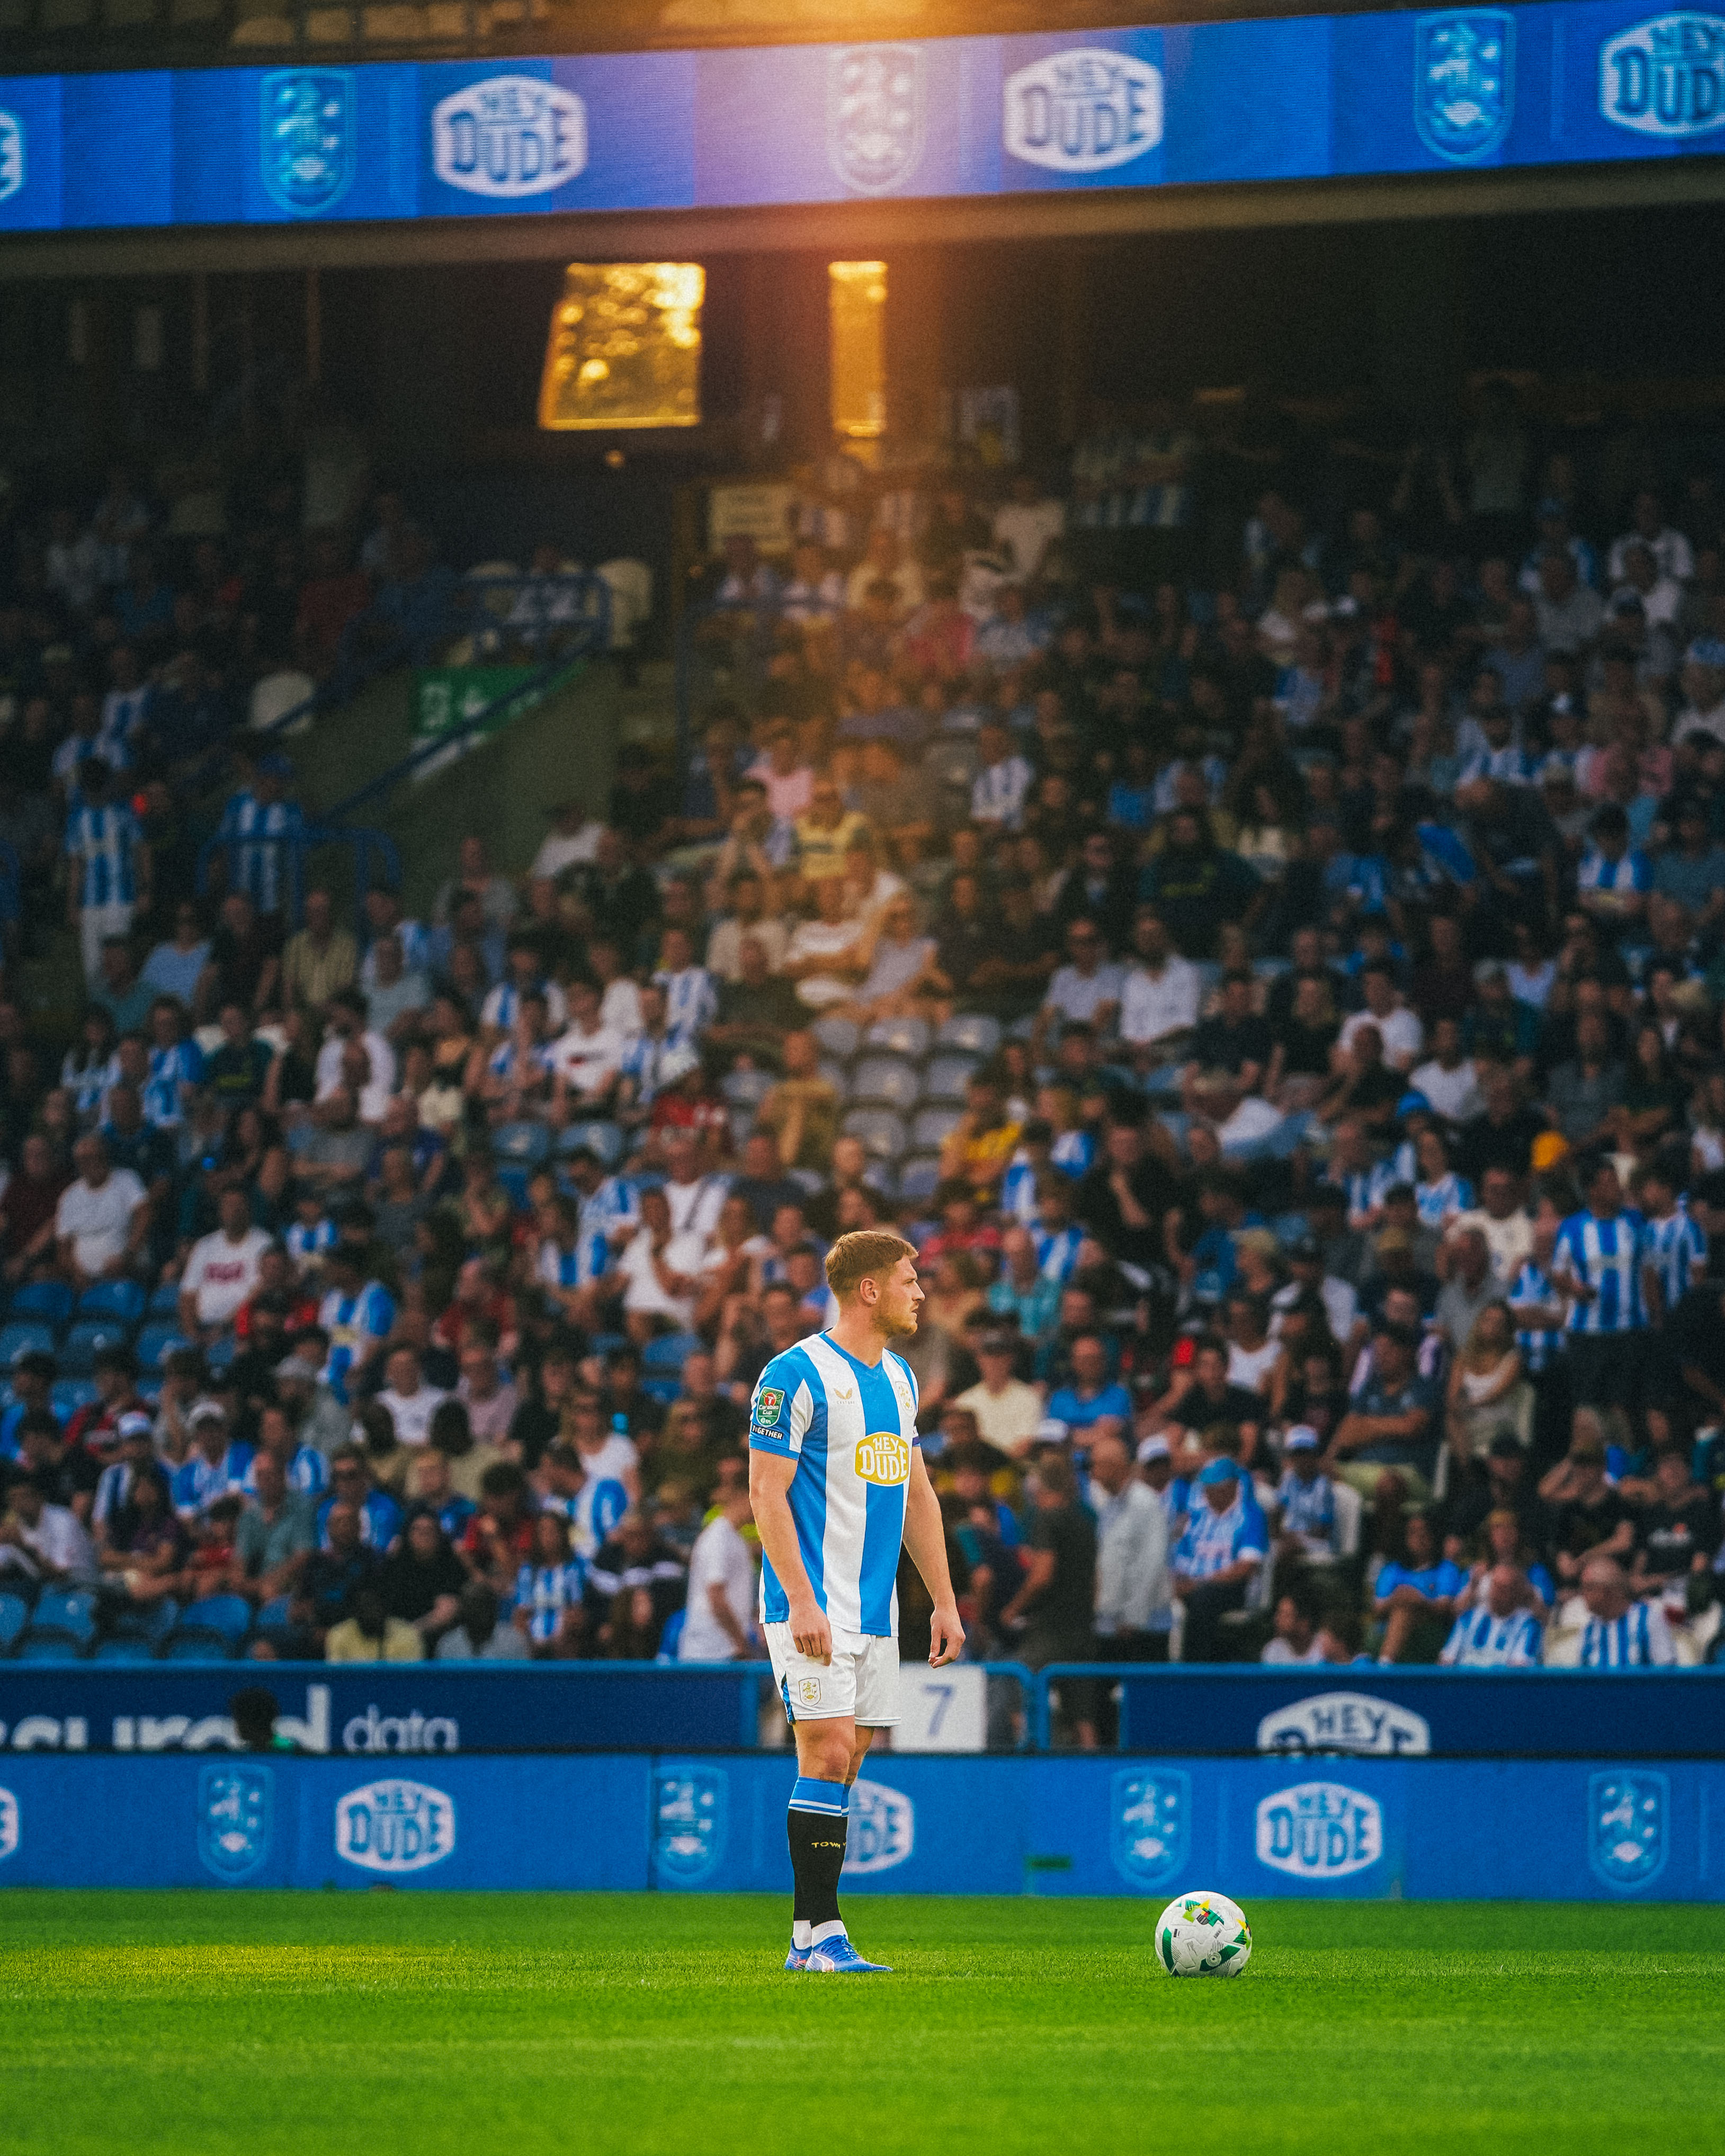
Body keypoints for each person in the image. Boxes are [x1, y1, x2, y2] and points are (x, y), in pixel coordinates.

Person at [747, 1228, 963, 1975]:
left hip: (876, 1610)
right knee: (828, 1746)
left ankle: (807, 1940)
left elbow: (917, 1495)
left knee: (850, 1756)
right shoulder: (792, 1373)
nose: (920, 1291)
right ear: (868, 1288)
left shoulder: (900, 1378)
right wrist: (801, 1599)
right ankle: (826, 1931)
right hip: (811, 1602)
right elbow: (764, 1491)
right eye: (908, 1278)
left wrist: (942, 1599)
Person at [1169, 1457, 1266, 1661]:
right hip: (1193, 1583)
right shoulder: (1196, 1518)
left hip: (1233, 1587)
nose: (1208, 1494)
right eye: (1207, 1488)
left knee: (1203, 1598)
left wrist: (1199, 1583)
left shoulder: (1251, 1515)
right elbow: (1181, 1558)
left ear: (1231, 1487)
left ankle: (1195, 1669)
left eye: (1214, 1489)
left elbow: (1246, 1568)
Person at [677, 1480, 758, 1661]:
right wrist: (740, 1641)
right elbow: (715, 1594)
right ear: (743, 1498)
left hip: (725, 1649)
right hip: (709, 1651)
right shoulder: (718, 1538)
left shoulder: (734, 1538)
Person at [1439, 1563, 1543, 1666]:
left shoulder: (1528, 1625)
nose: (1498, 1594)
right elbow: (1446, 1660)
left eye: (1505, 1589)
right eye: (1496, 1586)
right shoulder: (1468, 1619)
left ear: (1517, 1592)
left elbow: (1519, 1670)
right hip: (1465, 1682)